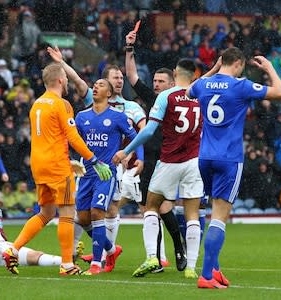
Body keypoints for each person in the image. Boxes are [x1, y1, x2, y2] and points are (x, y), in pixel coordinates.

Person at [186, 47, 281, 289]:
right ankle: (207, 276)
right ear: (239, 64)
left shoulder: (203, 85)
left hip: (205, 158)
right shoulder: (240, 86)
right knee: (219, 218)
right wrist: (270, 67)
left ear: (221, 62)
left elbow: (190, 90)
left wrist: (213, 69)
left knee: (213, 212)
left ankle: (216, 269)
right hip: (229, 159)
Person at [1, 63, 112, 276]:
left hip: (38, 165)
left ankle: (12, 249)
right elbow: (72, 136)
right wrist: (94, 160)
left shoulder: (36, 105)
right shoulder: (62, 104)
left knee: (46, 212)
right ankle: (67, 264)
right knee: (67, 213)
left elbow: (47, 137)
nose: (68, 82)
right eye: (66, 79)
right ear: (60, 80)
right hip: (57, 166)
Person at [47, 46, 144, 263]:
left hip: (111, 169)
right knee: (87, 215)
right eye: (114, 77)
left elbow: (142, 131)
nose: (120, 80)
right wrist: (61, 62)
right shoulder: (86, 110)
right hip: (88, 170)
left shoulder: (128, 108)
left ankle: (98, 259)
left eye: (121, 77)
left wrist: (130, 153)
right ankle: (109, 250)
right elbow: (78, 81)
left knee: (103, 210)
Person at [114, 58, 203, 279]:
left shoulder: (166, 96)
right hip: (194, 161)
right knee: (192, 214)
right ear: (194, 76)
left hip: (169, 160)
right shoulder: (202, 95)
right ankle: (191, 267)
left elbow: (147, 131)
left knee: (150, 206)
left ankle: (153, 256)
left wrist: (127, 151)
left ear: (175, 74)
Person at [124, 29, 187, 271]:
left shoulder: (181, 99)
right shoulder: (153, 98)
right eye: (155, 82)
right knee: (153, 210)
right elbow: (131, 75)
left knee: (161, 208)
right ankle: (160, 257)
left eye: (161, 82)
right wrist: (130, 48)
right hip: (148, 161)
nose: (156, 85)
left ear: (172, 83)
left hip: (169, 160)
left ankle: (177, 249)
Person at [75, 79, 144, 275]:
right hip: (86, 173)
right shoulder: (81, 117)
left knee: (97, 212)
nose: (95, 87)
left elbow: (137, 136)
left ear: (109, 94)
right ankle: (112, 250)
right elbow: (73, 140)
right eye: (94, 85)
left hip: (106, 173)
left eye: (101, 85)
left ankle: (96, 264)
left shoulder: (117, 116)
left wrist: (137, 157)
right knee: (83, 217)